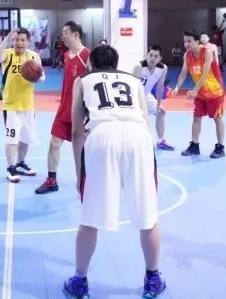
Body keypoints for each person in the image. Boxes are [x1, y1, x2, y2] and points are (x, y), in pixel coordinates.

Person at [64, 45, 165, 299]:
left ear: (91, 64)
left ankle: (80, 281)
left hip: (102, 136)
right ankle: (153, 279)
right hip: (138, 137)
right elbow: (145, 119)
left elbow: (76, 131)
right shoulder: (133, 80)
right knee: (148, 215)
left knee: (90, 216)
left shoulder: (83, 80)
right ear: (116, 64)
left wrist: (78, 172)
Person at [35, 21, 89, 194]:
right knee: (54, 142)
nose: (63, 36)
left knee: (85, 148)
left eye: (65, 32)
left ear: (76, 34)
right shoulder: (66, 55)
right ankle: (51, 180)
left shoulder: (87, 55)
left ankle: (87, 180)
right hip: (64, 107)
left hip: (81, 111)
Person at [0, 27, 44, 182]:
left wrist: (36, 77)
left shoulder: (33, 56)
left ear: (28, 41)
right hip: (11, 106)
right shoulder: (7, 54)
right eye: (16, 40)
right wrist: (7, 37)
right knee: (12, 139)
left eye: (22, 40)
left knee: (25, 138)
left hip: (28, 105)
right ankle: (11, 167)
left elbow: (42, 77)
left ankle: (20, 163)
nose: (19, 43)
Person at [171, 30, 226, 159]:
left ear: (197, 41)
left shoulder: (207, 52)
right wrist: (177, 87)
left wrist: (195, 90)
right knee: (196, 118)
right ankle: (194, 146)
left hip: (214, 91)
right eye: (185, 41)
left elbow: (205, 74)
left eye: (189, 41)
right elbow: (183, 72)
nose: (186, 44)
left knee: (217, 118)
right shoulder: (187, 55)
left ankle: (220, 147)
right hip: (200, 92)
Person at [132, 45, 175, 151]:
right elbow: (131, 87)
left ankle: (160, 141)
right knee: (138, 118)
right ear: (147, 55)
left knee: (161, 111)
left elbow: (160, 87)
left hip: (147, 96)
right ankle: (137, 142)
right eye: (150, 55)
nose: (152, 58)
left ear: (160, 58)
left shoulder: (163, 68)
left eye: (156, 56)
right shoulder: (138, 67)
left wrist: (159, 104)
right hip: (135, 97)